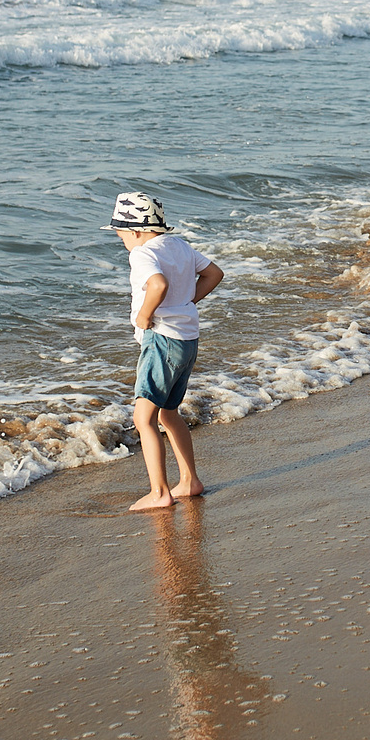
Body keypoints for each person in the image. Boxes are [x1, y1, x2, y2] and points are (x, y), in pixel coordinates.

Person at [103, 191, 223, 510]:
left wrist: (145, 316)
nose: (120, 239)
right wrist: (186, 302)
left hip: (162, 340)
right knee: (169, 414)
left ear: (135, 232)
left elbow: (157, 285)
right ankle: (190, 481)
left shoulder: (142, 254)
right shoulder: (179, 246)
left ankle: (159, 493)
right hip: (187, 340)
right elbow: (214, 274)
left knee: (143, 418)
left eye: (120, 234)